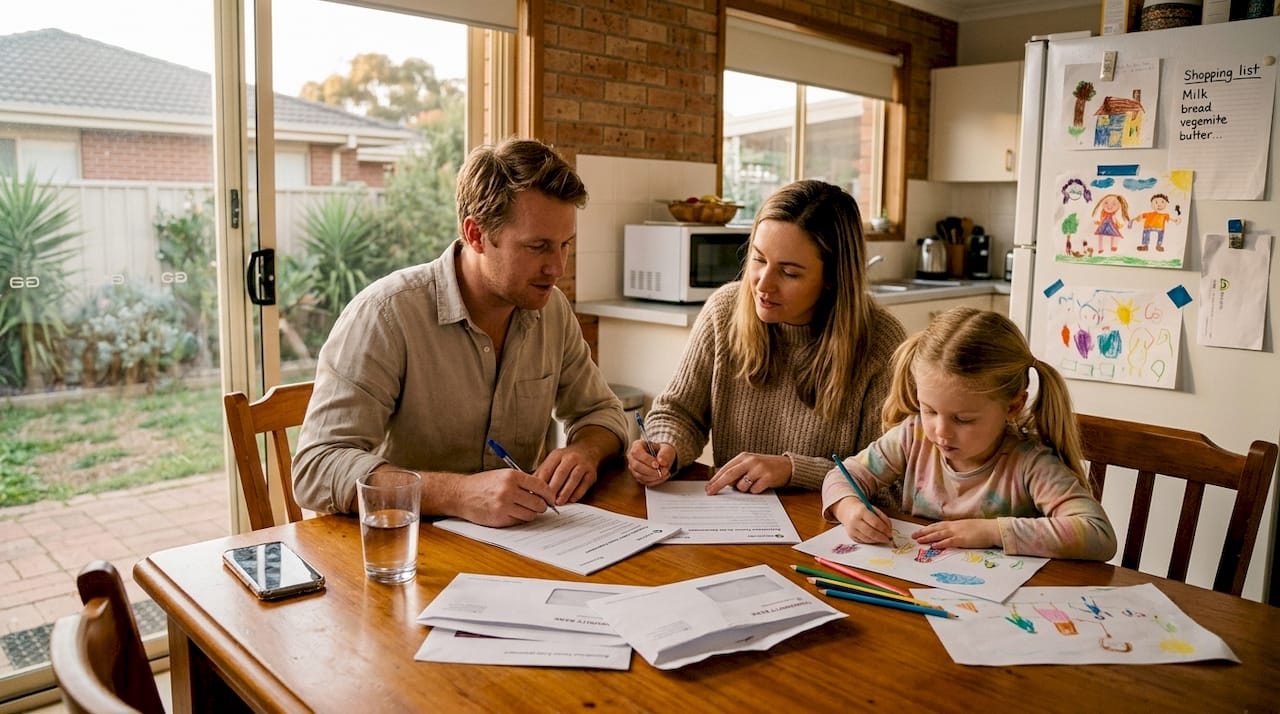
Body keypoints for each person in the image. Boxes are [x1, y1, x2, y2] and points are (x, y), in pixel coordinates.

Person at [293, 138, 628, 527]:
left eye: (565, 245)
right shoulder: (385, 316)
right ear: (476, 235)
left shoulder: (552, 311)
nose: (557, 268)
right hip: (407, 553)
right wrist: (459, 495)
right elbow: (316, 467)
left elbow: (603, 412)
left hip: (519, 546)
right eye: (537, 247)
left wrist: (585, 451)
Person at [627, 179, 907, 495]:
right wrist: (666, 445)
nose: (763, 284)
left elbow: (891, 478)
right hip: (732, 521)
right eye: (759, 259)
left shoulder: (880, 342)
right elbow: (679, 412)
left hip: (827, 530)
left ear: (832, 278)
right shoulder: (724, 311)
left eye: (789, 272)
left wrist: (792, 470)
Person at [822, 306, 1117, 560]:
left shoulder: (1030, 464)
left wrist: (991, 531)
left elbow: (1098, 534)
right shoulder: (914, 436)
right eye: (930, 410)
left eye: (963, 419)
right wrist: (848, 509)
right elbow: (842, 476)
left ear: (1013, 406)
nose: (940, 432)